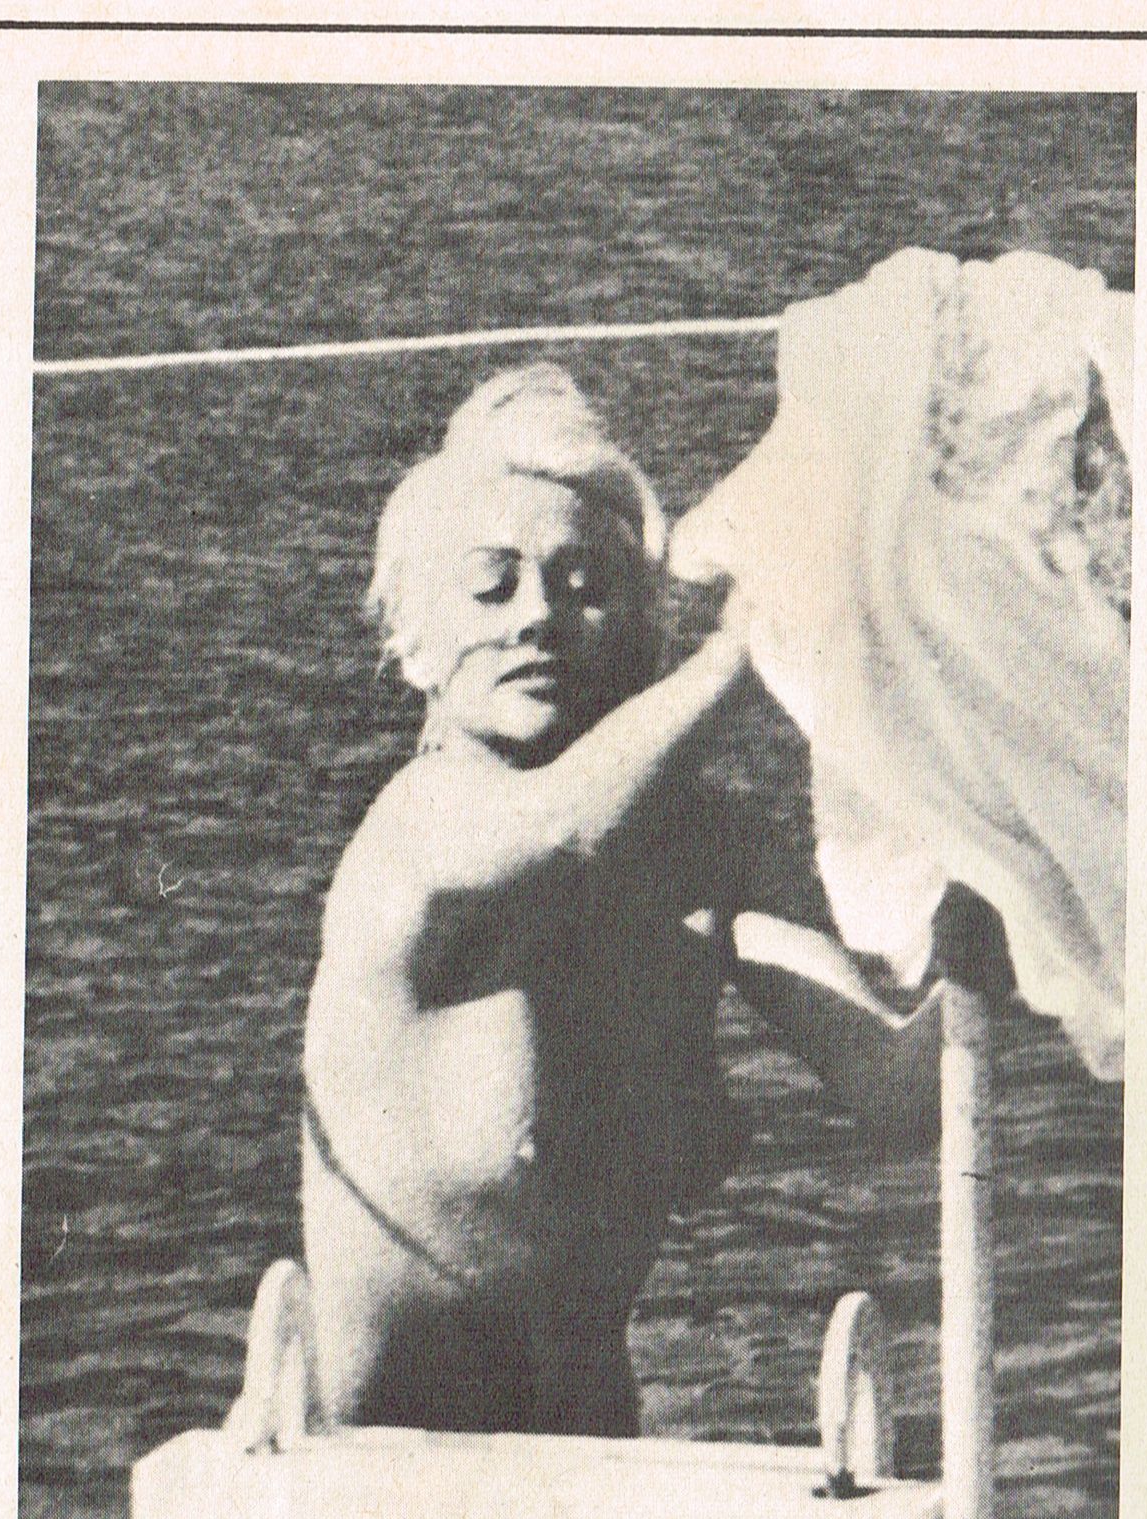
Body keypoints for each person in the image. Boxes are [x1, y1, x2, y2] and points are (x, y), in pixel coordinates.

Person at [299, 364, 939, 1437]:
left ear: (637, 627)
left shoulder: (703, 850)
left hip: (592, 1459)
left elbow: (898, 1089)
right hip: (375, 1469)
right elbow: (567, 825)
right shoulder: (421, 825)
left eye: (584, 582)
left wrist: (1003, 915)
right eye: (491, 584)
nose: (539, 617)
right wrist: (749, 642)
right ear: (411, 643)